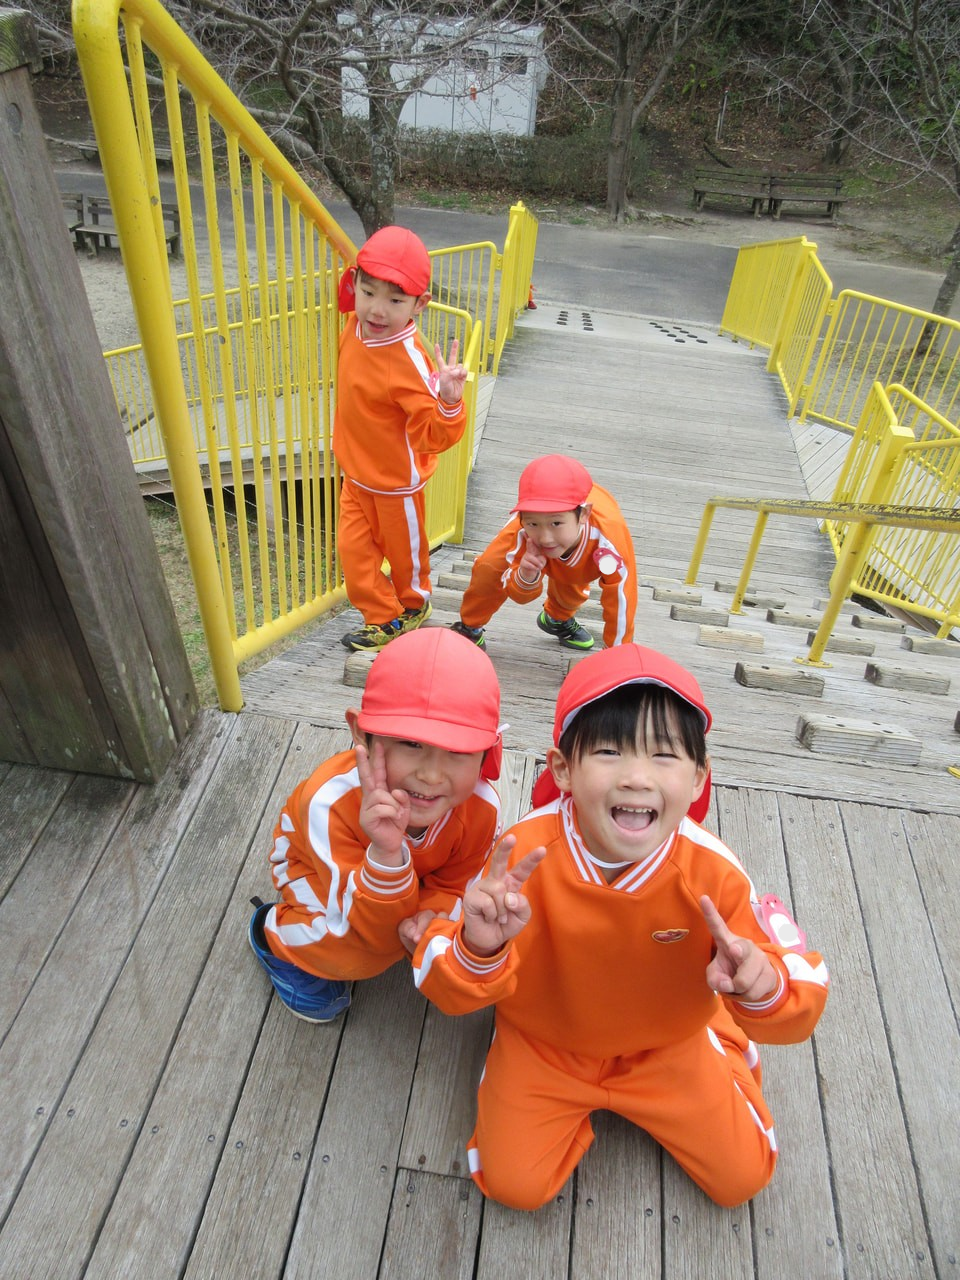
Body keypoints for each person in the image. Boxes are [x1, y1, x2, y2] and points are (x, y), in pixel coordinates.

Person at [407, 644, 830, 1210]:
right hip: (546, 1043)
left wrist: (763, 984)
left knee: (743, 1179)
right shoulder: (522, 854)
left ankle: (722, 1039)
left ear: (699, 776)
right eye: (608, 751)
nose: (635, 777)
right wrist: (479, 945)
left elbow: (801, 988)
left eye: (664, 755)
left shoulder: (713, 872)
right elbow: (445, 983)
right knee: (514, 1187)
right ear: (563, 769)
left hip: (666, 1045)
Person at [248, 627, 504, 1023]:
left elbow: (457, 882)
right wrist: (385, 853)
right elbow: (367, 924)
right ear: (361, 733)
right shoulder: (330, 803)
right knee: (367, 950)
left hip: (410, 877)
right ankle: (275, 938)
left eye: (458, 751)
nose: (432, 775)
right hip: (317, 868)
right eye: (411, 744)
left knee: (457, 925)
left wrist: (433, 914)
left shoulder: (482, 808)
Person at [334, 225, 470, 652]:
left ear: (419, 304)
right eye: (368, 292)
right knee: (354, 555)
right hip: (356, 477)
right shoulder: (353, 327)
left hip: (396, 486)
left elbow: (434, 435)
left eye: (395, 301)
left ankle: (413, 607)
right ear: (354, 283)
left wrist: (449, 400)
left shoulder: (409, 361)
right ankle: (382, 616)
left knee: (407, 561)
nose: (377, 310)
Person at [450, 453, 636, 652]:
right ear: (522, 518)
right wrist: (526, 575)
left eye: (556, 523)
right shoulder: (525, 533)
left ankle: (557, 617)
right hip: (554, 527)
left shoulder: (609, 543)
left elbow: (622, 599)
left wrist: (617, 653)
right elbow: (520, 596)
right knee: (490, 568)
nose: (545, 538)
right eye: (532, 523)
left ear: (584, 514)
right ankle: (470, 627)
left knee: (572, 580)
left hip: (586, 547)